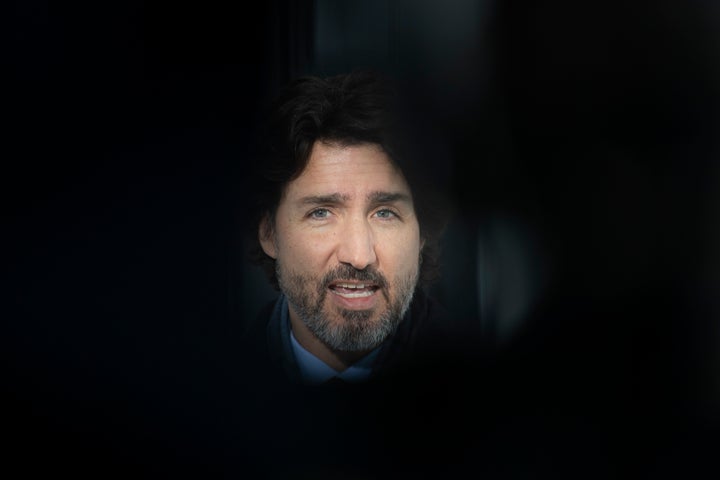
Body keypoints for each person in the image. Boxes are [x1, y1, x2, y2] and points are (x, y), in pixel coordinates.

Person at [240, 69, 461, 390]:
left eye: (385, 213)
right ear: (269, 234)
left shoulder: (494, 401)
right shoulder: (206, 391)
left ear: (422, 234)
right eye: (321, 213)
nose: (359, 256)